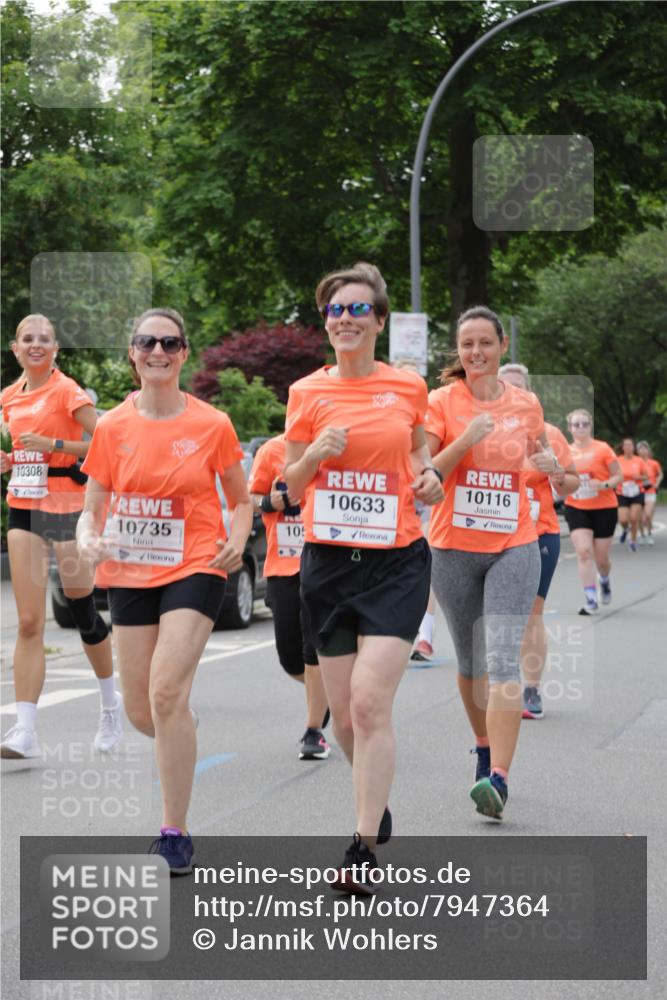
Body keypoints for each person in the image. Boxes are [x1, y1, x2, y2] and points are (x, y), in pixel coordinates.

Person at [284, 262, 443, 892]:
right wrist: (316, 455)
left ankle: (359, 842)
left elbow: (421, 459)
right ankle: (375, 800)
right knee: (346, 719)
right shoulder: (306, 392)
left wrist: (430, 478)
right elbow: (289, 484)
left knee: (370, 703)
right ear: (325, 323)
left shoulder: (408, 388)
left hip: (396, 564)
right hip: (327, 565)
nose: (344, 319)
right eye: (333, 311)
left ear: (378, 320)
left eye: (356, 310)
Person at [76, 308, 252, 874]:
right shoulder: (111, 426)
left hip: (195, 564)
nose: (158, 350)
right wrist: (86, 536)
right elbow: (92, 507)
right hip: (129, 570)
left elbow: (242, 498)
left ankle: (173, 832)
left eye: (169, 342)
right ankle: (181, 725)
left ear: (184, 352)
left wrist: (236, 538)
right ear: (132, 352)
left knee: (166, 692)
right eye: (147, 342)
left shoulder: (212, 424)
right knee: (140, 710)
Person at [425, 307, 556, 821]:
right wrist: (468, 437)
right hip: (453, 547)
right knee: (470, 664)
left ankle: (498, 777)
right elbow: (429, 469)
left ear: (502, 345)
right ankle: (482, 743)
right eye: (466, 344)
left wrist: (550, 467)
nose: (475, 352)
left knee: (501, 660)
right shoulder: (440, 401)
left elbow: (552, 470)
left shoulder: (526, 404)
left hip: (513, 544)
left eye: (485, 342)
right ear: (458, 352)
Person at [0, 315, 120, 759]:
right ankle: (25, 731)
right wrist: (9, 460)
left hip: (68, 509)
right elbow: (21, 450)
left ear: (55, 349)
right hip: (24, 507)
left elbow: (102, 440)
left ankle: (110, 705)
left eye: (44, 340)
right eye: (27, 339)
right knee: (30, 622)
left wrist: (54, 445)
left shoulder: (67, 390)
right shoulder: (9, 398)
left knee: (82, 609)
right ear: (15, 348)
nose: (35, 345)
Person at [498, 364, 579, 720]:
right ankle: (500, 683)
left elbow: (570, 483)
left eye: (519, 390)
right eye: (505, 388)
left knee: (532, 610)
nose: (512, 395)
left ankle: (531, 687)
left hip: (538, 530)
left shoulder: (549, 433)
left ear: (530, 395)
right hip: (491, 533)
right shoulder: (482, 430)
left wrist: (557, 471)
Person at [248, 434, 330, 760]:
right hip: (282, 565)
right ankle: (325, 695)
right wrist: (269, 503)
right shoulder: (271, 451)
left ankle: (314, 731)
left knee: (314, 645)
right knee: (290, 656)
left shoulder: (332, 449)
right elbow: (250, 497)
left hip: (324, 564)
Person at [391, 358, 437, 662]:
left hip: (425, 503)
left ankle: (425, 638)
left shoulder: (431, 414)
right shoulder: (385, 412)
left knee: (425, 568)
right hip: (393, 504)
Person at [563, 409, 622, 613]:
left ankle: (604, 579)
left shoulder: (603, 449)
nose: (580, 428)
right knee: (583, 552)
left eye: (585, 424)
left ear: (590, 426)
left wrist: (604, 484)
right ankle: (590, 599)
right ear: (570, 428)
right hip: (576, 506)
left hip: (604, 507)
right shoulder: (565, 452)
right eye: (576, 424)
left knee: (602, 559)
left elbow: (618, 476)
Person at [615, 437, 650, 552]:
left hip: (637, 491)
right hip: (622, 492)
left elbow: (646, 476)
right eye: (626, 445)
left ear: (633, 447)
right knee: (623, 519)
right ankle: (625, 529)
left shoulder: (639, 460)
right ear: (623, 447)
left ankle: (633, 542)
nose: (628, 447)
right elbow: (613, 474)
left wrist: (638, 477)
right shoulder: (618, 460)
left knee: (634, 518)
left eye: (630, 445)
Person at [637, 441, 663, 545]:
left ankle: (649, 533)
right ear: (637, 451)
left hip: (650, 490)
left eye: (645, 448)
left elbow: (660, 474)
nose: (643, 451)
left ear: (648, 450)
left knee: (647, 515)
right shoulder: (635, 462)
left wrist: (657, 483)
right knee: (639, 516)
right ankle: (642, 535)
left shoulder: (654, 463)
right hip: (638, 491)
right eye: (641, 449)